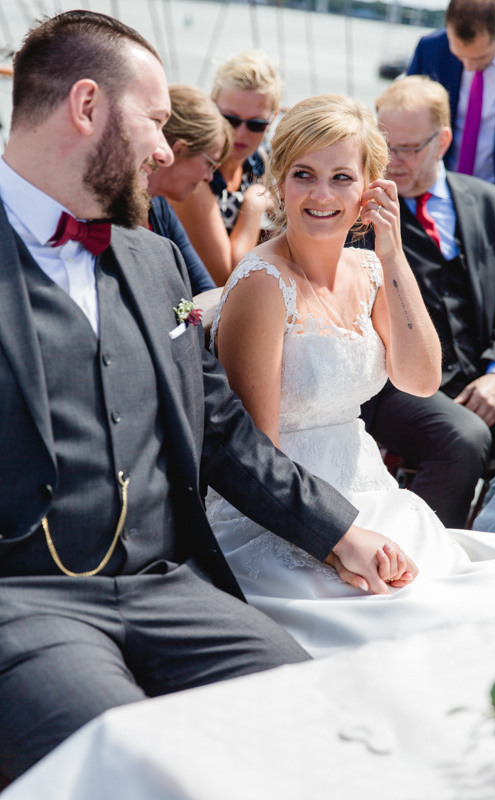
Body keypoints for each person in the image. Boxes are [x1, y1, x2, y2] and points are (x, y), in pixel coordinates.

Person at [0, 12, 412, 781]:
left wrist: (339, 533)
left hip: (170, 587)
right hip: (23, 600)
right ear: (86, 107)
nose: (167, 149)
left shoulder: (155, 261)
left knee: (322, 722)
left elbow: (223, 431)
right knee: (139, 765)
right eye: (155, 120)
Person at [205, 93, 495, 658]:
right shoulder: (263, 285)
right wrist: (338, 542)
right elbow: (256, 456)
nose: (322, 195)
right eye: (304, 175)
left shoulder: (369, 268)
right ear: (280, 180)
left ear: (371, 187)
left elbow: (422, 379)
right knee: (414, 631)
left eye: (342, 177)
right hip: (284, 518)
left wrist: (393, 254)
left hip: (372, 495)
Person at [360, 75, 495, 528]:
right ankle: (432, 566)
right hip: (398, 385)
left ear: (443, 141)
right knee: (462, 437)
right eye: (383, 145)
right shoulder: (359, 209)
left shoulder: (488, 202)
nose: (391, 161)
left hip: (481, 376)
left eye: (408, 149)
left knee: (479, 423)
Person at [407, 0, 495, 264]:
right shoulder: (430, 49)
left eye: (479, 58)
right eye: (459, 55)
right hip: (432, 208)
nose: (468, 67)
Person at [172, 51, 281, 285]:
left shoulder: (261, 161)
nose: (240, 134)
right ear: (212, 107)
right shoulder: (198, 174)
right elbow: (229, 277)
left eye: (256, 124)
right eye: (230, 119)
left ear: (272, 119)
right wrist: (255, 202)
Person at [147, 83, 233, 294]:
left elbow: (205, 289)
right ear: (179, 150)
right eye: (209, 163)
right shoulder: (116, 210)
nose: (209, 177)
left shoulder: (160, 207)